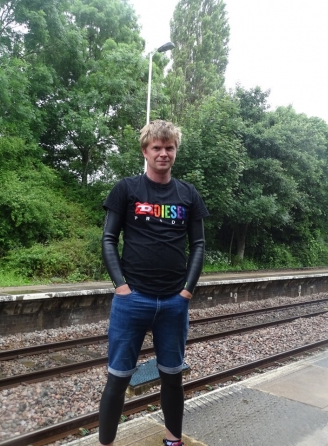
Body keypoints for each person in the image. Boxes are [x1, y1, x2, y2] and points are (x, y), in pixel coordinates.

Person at [98, 120, 209, 446]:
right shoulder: (126, 189)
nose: (163, 153)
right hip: (132, 301)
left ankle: (172, 441)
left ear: (175, 151)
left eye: (169, 147)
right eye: (157, 147)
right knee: (117, 380)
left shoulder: (188, 194)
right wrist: (121, 285)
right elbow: (108, 239)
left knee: (172, 378)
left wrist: (187, 291)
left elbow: (199, 244)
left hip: (174, 303)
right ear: (146, 151)